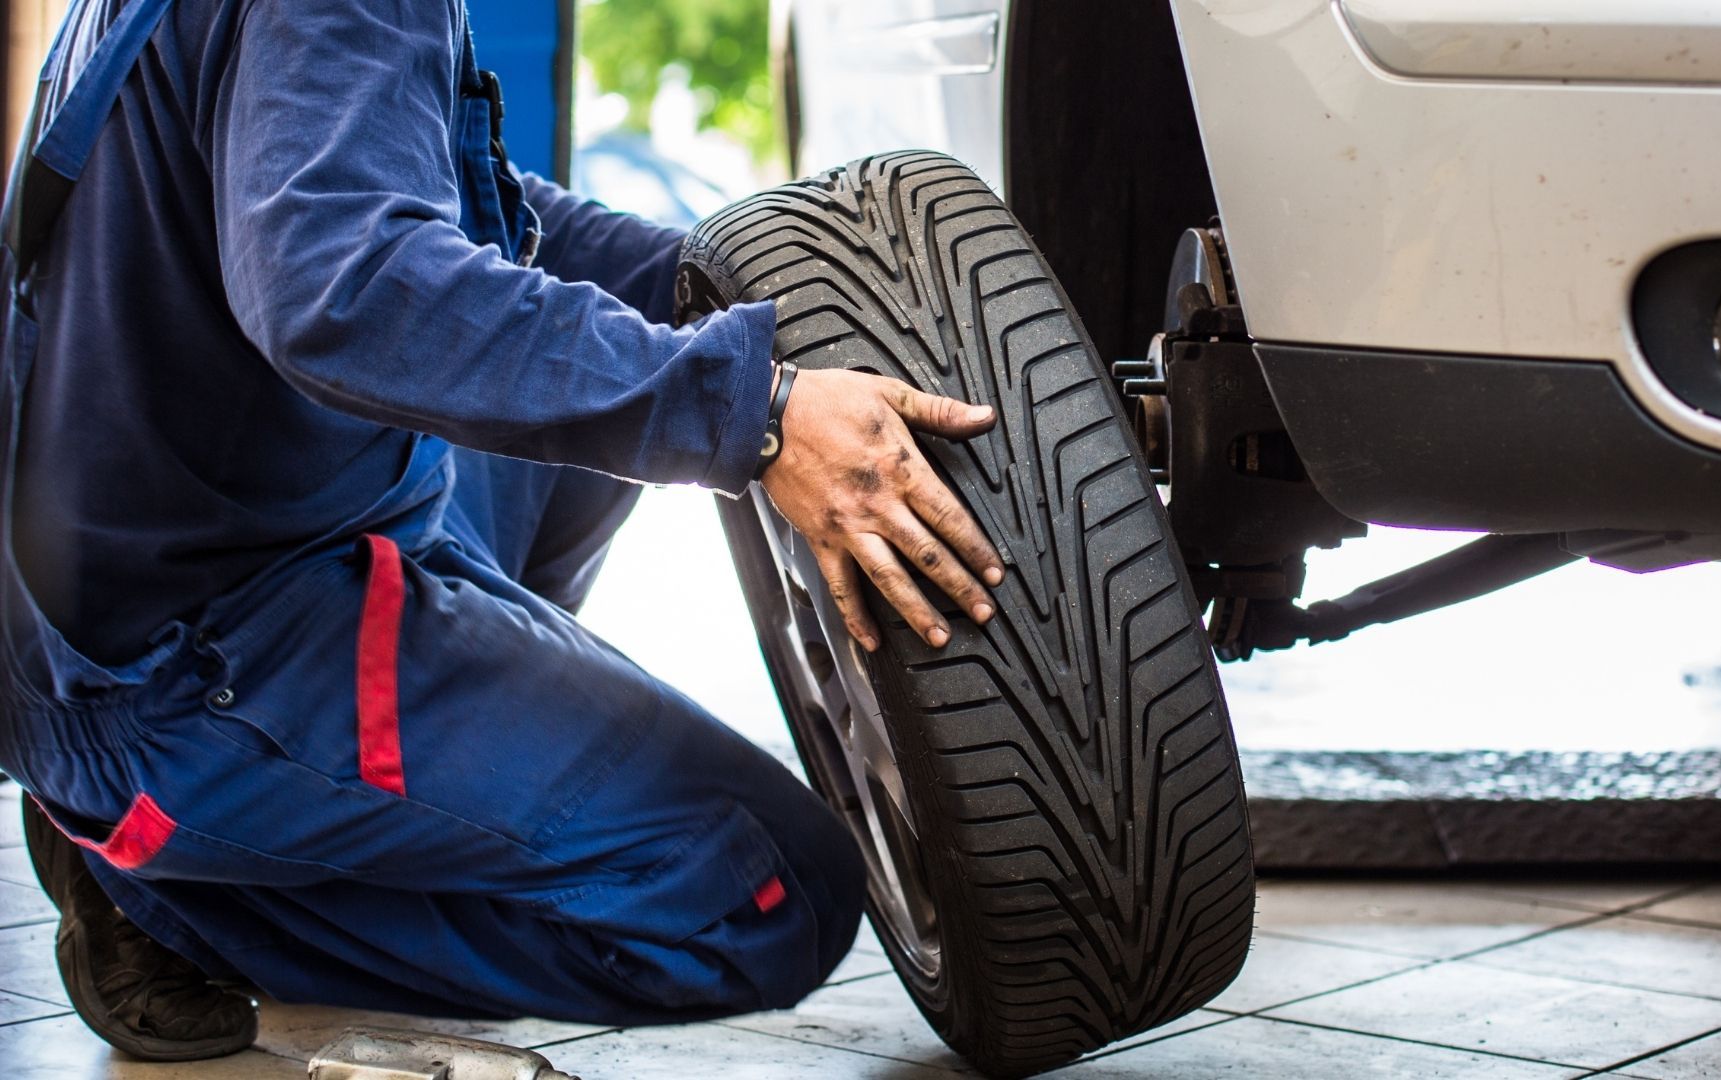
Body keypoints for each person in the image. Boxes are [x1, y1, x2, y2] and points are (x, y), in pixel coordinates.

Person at [0, 0, 1003, 1061]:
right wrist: (750, 415)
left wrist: (718, 294)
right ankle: (163, 887)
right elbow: (345, 289)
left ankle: (399, 791)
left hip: (161, 557)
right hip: (184, 659)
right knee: (772, 891)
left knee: (592, 404)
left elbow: (459, 215)